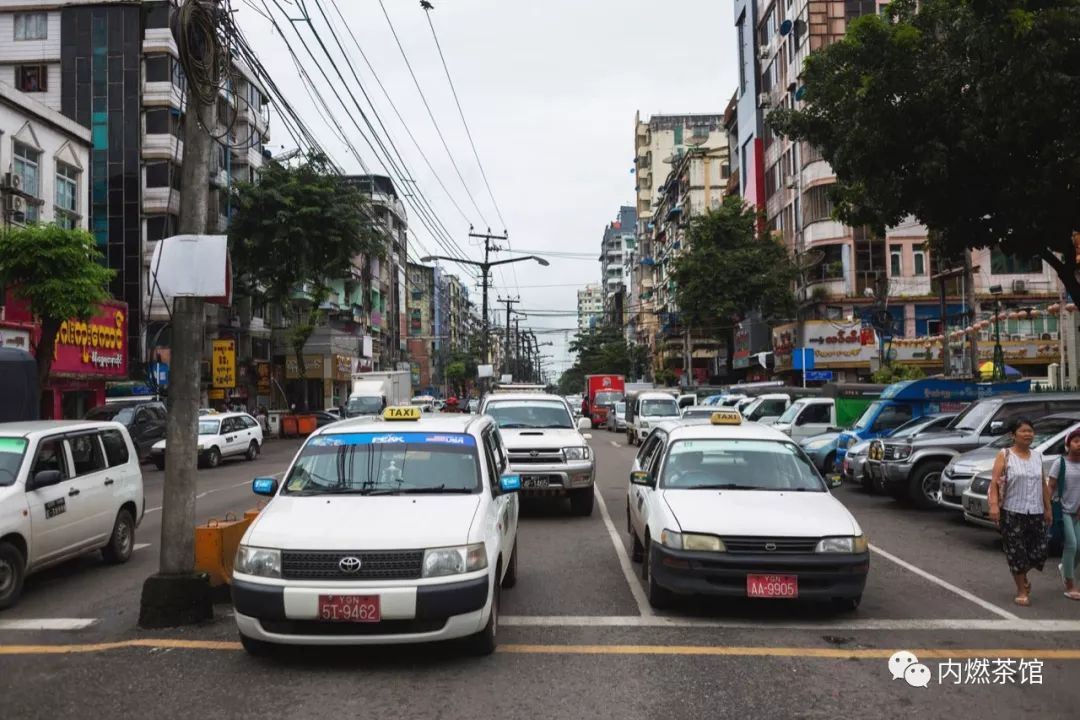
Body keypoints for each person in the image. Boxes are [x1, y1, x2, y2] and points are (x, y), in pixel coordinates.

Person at [988, 417, 1052, 607]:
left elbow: (1042, 483)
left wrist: (1048, 508)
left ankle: (1022, 574)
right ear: (1013, 435)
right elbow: (995, 482)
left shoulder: (1038, 456)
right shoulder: (1005, 454)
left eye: (1030, 431)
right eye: (1023, 431)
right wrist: (993, 506)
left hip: (1036, 511)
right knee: (1016, 552)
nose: (1028, 434)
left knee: (1040, 552)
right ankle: (1022, 590)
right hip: (1012, 511)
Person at [1047, 428, 1080, 601]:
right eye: (1076, 441)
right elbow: (1051, 487)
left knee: (1079, 548)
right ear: (1068, 445)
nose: (1079, 444)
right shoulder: (1060, 463)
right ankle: (1069, 584)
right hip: (1063, 510)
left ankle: (1064, 568)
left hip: (1078, 512)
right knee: (1071, 545)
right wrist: (1047, 508)